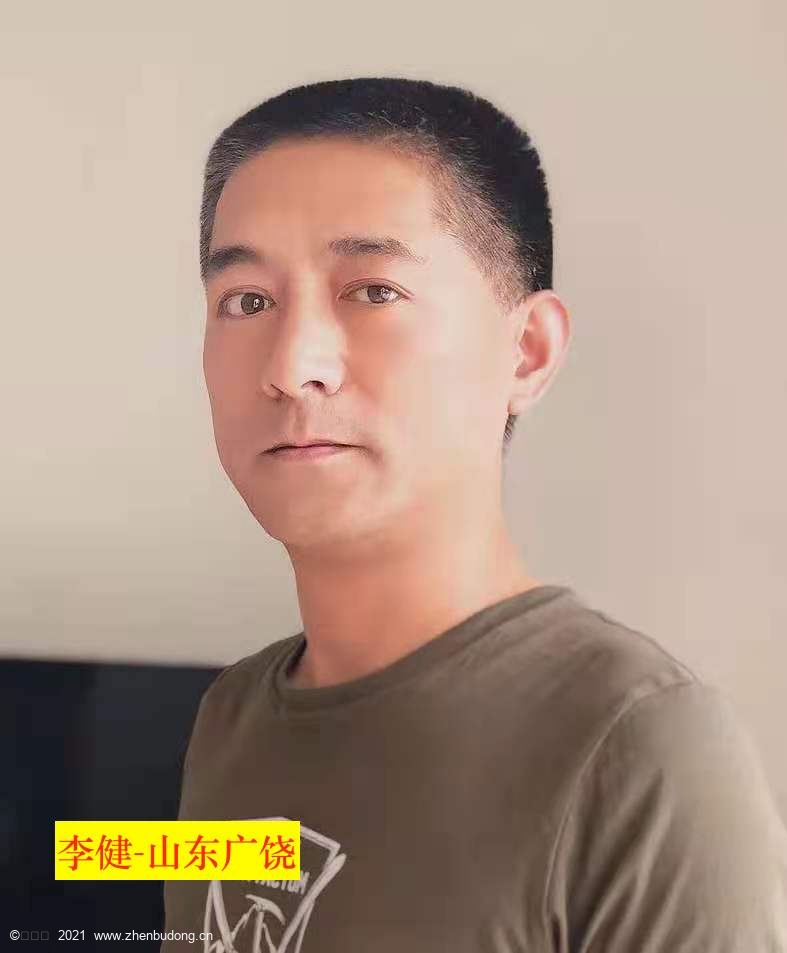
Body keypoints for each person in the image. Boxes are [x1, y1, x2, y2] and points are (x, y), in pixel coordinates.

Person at [161, 77, 787, 952]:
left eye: (372, 290)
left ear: (526, 351)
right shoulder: (231, 718)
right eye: (248, 301)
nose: (291, 364)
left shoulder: (637, 746)